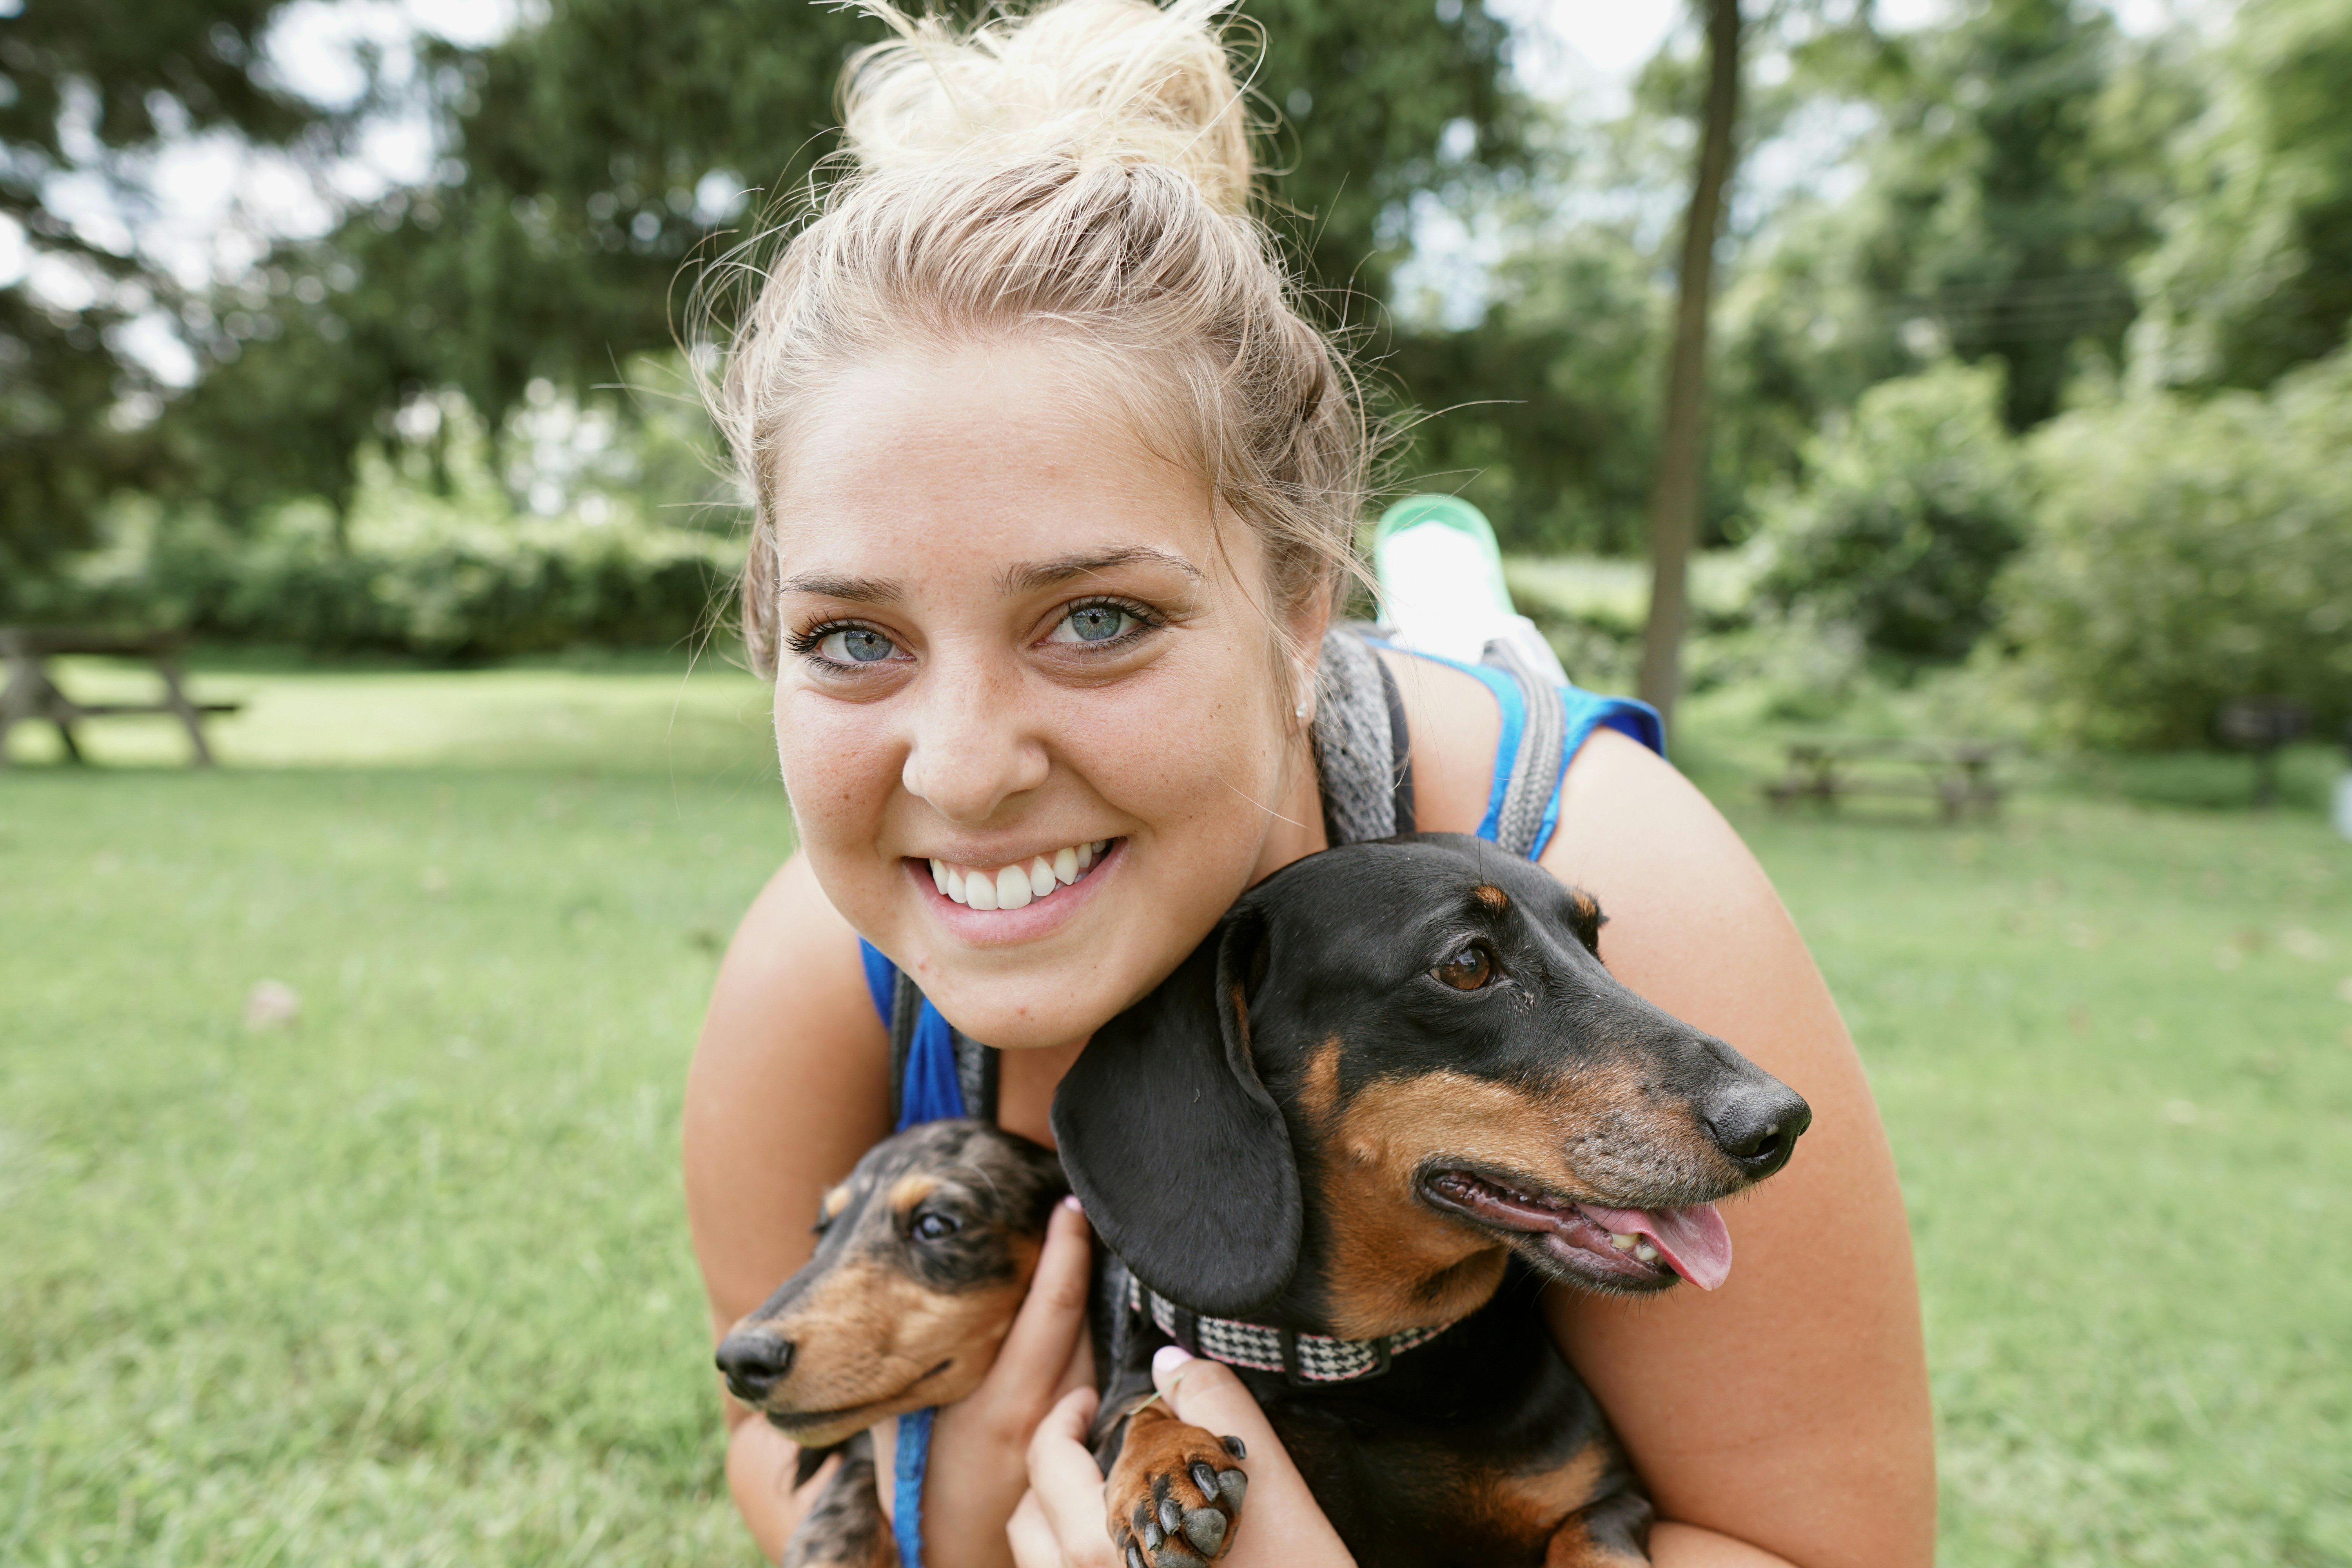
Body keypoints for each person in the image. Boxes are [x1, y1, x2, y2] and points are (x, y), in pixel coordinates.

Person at [682, 3, 1935, 1565]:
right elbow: (768, 1423)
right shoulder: (826, 966)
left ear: (1296, 612)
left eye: (1097, 618)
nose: (963, 768)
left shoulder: (1603, 873)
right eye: (854, 636)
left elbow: (1824, 1547)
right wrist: (949, 1530)